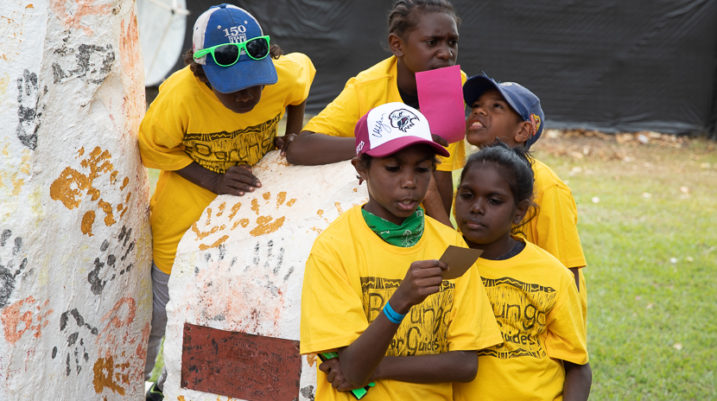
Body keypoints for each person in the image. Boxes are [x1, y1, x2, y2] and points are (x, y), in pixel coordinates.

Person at [138, 3, 315, 399]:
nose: (248, 94)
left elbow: (301, 82)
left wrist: (294, 135)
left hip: (246, 215)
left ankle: (174, 385)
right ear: (202, 74)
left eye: (256, 82)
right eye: (233, 86)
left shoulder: (283, 75)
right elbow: (152, 148)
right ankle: (137, 385)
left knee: (226, 308)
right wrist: (212, 179)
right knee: (162, 312)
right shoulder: (179, 97)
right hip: (184, 213)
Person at [300, 102, 502, 400]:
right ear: (361, 168)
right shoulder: (334, 249)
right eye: (393, 168)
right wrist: (400, 302)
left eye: (422, 169)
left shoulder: (451, 246)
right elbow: (352, 371)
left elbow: (465, 364)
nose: (409, 182)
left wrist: (379, 367)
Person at [285, 0, 465, 225]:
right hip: (364, 214)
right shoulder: (367, 87)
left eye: (452, 42)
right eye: (432, 42)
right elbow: (300, 147)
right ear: (397, 45)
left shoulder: (454, 85)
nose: (446, 53)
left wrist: (441, 233)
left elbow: (440, 174)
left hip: (412, 218)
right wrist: (384, 143)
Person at [452, 143, 591, 401]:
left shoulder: (553, 275)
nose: (476, 207)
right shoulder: (443, 265)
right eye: (467, 195)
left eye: (494, 200)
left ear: (519, 212)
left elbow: (577, 366)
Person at [461, 74, 589, 320]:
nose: (479, 111)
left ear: (522, 131)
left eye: (496, 107)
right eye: (476, 106)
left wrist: (565, 335)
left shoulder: (545, 186)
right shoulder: (474, 176)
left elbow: (565, 271)